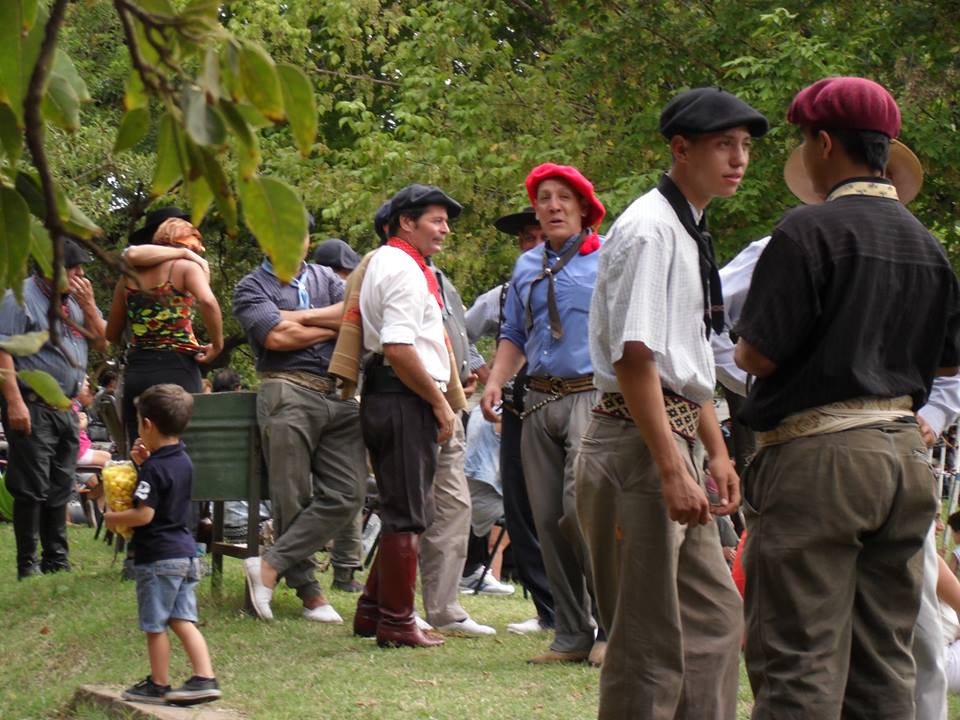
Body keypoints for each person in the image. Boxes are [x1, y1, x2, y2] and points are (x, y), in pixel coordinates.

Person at [733, 76, 960, 719]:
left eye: (805, 141)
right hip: (903, 459)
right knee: (883, 663)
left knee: (797, 660)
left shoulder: (808, 229)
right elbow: (946, 359)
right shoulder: (927, 243)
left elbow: (756, 354)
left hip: (820, 460)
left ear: (825, 142)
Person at [578, 87, 766, 718]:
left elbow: (689, 359)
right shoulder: (651, 230)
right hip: (636, 443)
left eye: (744, 147)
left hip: (678, 434)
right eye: (723, 145)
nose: (738, 159)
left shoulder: (688, 228)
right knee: (648, 642)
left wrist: (716, 454)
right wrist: (668, 466)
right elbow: (637, 360)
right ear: (680, 148)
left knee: (715, 622)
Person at [480, 164, 605, 664]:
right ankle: (572, 633)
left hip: (592, 397)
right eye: (544, 198)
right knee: (547, 520)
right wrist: (495, 379)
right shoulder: (526, 267)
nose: (552, 206)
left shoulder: (608, 259)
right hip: (537, 401)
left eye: (563, 198)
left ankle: (612, 629)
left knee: (584, 512)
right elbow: (515, 333)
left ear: (583, 208)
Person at [349, 184, 466, 649]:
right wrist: (439, 403)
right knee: (408, 515)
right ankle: (397, 623)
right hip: (403, 397)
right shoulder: (403, 269)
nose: (445, 229)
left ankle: (373, 612)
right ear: (405, 222)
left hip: (389, 395)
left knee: (406, 508)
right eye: (436, 220)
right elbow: (398, 347)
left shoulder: (389, 262)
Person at [235, 230, 365, 622]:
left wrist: (302, 317)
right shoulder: (251, 286)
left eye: (301, 234)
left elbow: (355, 316)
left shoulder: (326, 278)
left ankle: (268, 565)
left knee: (349, 493)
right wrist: (331, 325)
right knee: (291, 495)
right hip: (286, 389)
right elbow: (276, 336)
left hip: (339, 393)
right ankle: (310, 592)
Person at [465, 207, 554, 633]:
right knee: (521, 510)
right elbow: (458, 331)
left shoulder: (589, 278)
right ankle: (549, 611)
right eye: (526, 239)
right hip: (519, 407)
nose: (534, 245)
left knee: (571, 508)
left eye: (542, 236)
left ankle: (587, 610)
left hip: (573, 404)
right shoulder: (504, 293)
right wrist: (488, 376)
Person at [104, 384, 221, 706]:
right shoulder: (182, 459)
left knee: (155, 625)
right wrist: (143, 465)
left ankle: (158, 683)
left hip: (157, 558)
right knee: (183, 619)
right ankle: (204, 677)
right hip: (185, 553)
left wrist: (112, 517)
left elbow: (144, 514)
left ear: (147, 425)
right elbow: (163, 491)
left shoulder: (154, 468)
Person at [0, 239, 107, 578]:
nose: (81, 275)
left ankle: (56, 560)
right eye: (74, 269)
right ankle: (27, 564)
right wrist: (15, 401)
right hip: (32, 404)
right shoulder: (19, 297)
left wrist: (89, 307)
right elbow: (3, 351)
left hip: (66, 407)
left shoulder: (76, 300)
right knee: (31, 487)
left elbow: (103, 340)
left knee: (61, 483)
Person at [106, 213, 223, 448]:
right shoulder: (187, 267)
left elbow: (111, 335)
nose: (200, 249)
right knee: (182, 450)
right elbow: (208, 302)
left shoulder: (128, 278)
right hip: (177, 370)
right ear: (180, 241)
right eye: (195, 241)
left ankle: (146, 486)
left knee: (139, 450)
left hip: (138, 372)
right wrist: (217, 344)